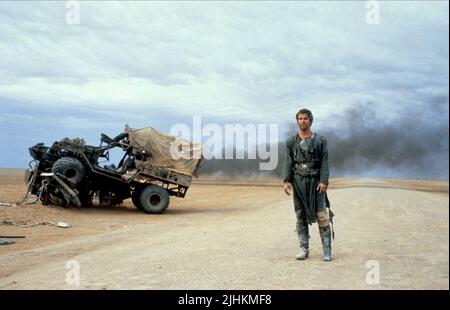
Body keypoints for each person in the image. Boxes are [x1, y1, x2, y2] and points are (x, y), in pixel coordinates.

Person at [283, 109, 333, 262]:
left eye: (305, 118)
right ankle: (303, 248)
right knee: (301, 215)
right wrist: (287, 181)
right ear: (297, 121)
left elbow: (325, 161)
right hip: (299, 181)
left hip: (315, 182)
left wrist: (324, 180)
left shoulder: (320, 140)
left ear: (310, 121)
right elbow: (288, 161)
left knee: (321, 215)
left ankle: (327, 249)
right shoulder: (291, 141)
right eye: (300, 118)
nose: (303, 121)